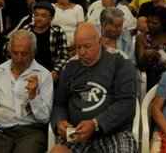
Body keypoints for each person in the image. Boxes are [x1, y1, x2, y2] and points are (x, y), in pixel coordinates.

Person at [50, 23, 138, 153]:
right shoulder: (70, 68)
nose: (82, 52)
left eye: (87, 46)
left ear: (100, 42)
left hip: (114, 132)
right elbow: (59, 104)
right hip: (77, 133)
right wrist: (60, 122)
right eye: (78, 47)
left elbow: (126, 103)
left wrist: (96, 123)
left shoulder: (120, 64)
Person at [0, 30, 54, 153]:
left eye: (24, 54)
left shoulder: (44, 75)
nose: (18, 58)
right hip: (2, 131)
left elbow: (44, 118)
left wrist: (33, 96)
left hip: (31, 131)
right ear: (9, 51)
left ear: (33, 53)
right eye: (15, 53)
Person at [9, 2, 70, 81]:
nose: (38, 18)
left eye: (43, 16)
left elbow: (64, 57)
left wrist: (56, 71)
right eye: (36, 15)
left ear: (51, 18)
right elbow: (12, 49)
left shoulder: (58, 32)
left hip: (50, 73)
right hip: (26, 73)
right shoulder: (26, 29)